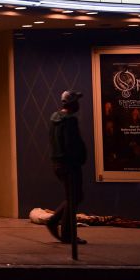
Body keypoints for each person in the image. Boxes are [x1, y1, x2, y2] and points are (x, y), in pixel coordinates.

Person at [46, 90, 87, 245]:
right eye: (77, 101)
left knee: (74, 196)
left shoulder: (54, 118)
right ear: (72, 103)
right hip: (70, 164)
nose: (79, 104)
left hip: (58, 163)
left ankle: (54, 221)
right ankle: (67, 235)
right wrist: (78, 159)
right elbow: (72, 143)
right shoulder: (70, 120)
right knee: (74, 197)